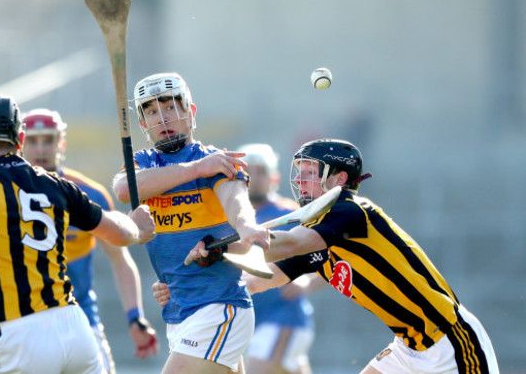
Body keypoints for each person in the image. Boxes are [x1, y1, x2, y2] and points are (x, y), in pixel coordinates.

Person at [193, 138, 499, 374]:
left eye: (310, 172)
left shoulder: (351, 211)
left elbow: (287, 245)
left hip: (450, 341)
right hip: (409, 348)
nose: (300, 180)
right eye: (298, 172)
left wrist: (223, 247)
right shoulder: (315, 230)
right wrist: (195, 286)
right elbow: (261, 278)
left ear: (339, 179)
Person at [0, 94, 156, 374]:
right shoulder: (58, 185)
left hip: (20, 334)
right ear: (21, 140)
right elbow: (119, 233)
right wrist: (136, 224)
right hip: (76, 329)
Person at [112, 72, 270, 374]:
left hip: (219, 307)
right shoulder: (143, 164)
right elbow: (123, 189)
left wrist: (247, 226)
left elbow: (236, 203)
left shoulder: (217, 160)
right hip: (179, 313)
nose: (162, 119)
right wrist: (197, 168)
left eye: (171, 107)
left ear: (190, 113)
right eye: (152, 111)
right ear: (143, 124)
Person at [152, 143, 326, 374]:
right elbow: (204, 255)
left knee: (259, 369)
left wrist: (307, 283)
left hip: (282, 318)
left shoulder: (288, 213)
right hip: (242, 317)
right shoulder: (222, 215)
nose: (254, 176)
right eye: (249, 169)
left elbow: (327, 253)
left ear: (274, 178)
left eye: (261, 170)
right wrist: (171, 284)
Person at [21, 108, 159, 372]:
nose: (40, 149)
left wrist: (134, 317)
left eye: (48, 140)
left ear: (61, 142)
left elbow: (120, 260)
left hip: (82, 319)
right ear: (20, 143)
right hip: (27, 322)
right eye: (32, 140)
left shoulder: (88, 193)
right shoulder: (7, 193)